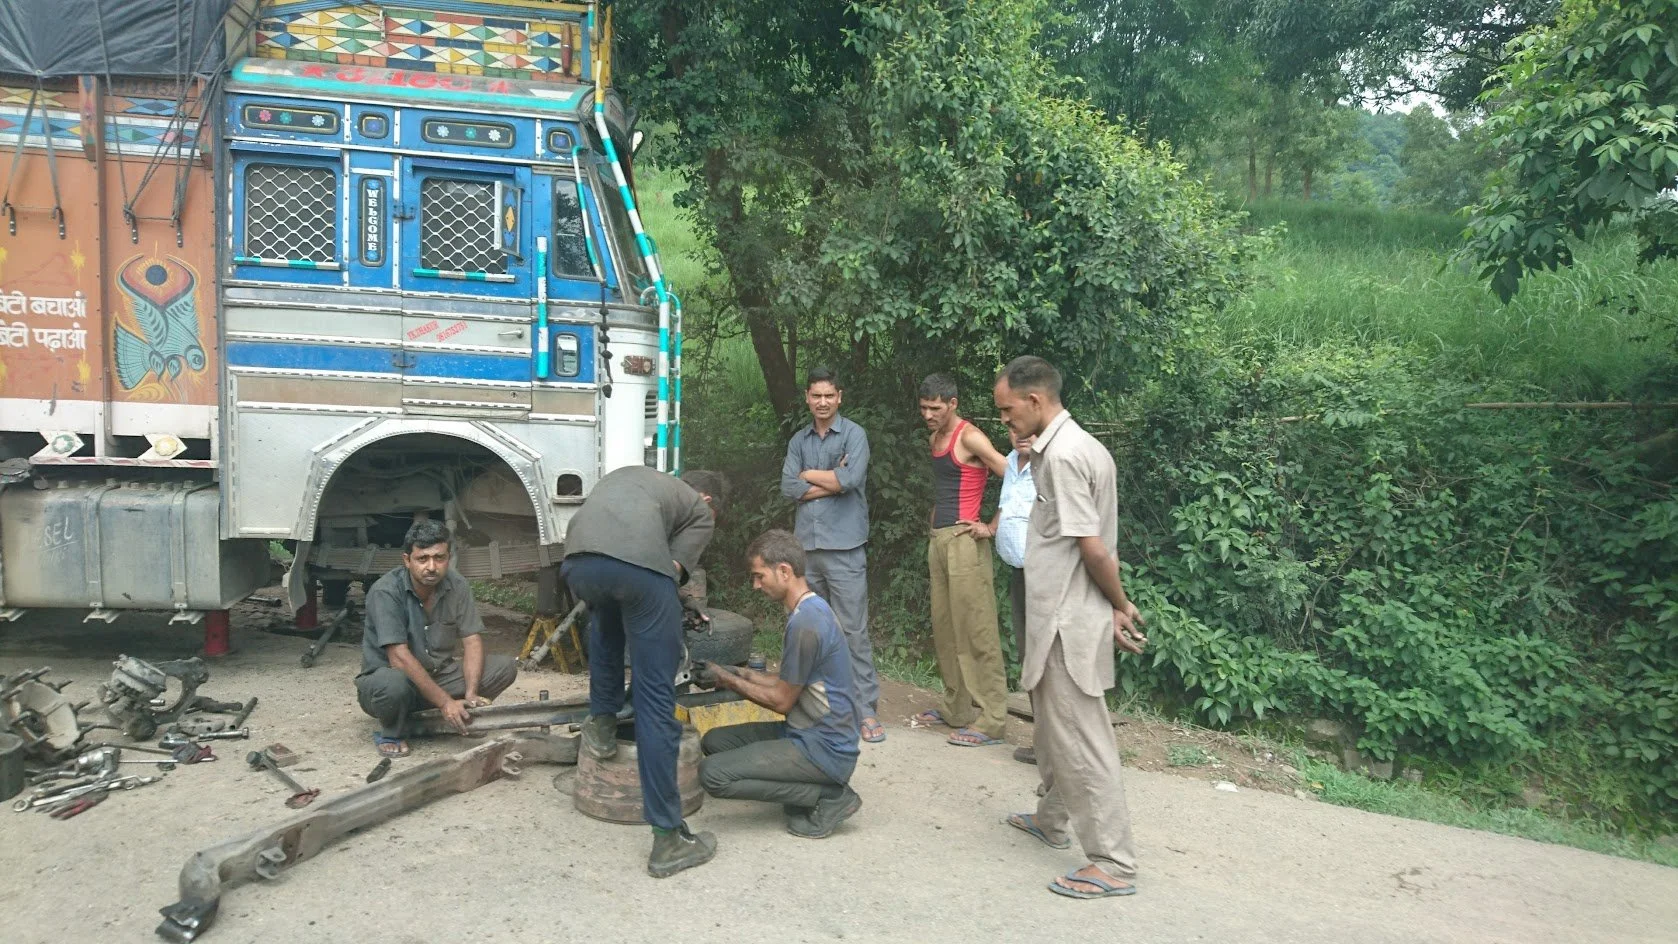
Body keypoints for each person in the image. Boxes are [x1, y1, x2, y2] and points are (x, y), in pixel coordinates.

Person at [993, 355, 1146, 900]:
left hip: (1064, 619)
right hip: (1062, 611)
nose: (1005, 424)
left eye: (1008, 412)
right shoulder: (1074, 447)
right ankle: (1051, 819)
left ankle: (1113, 861)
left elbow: (1093, 546)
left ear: (1035, 401)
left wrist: (1120, 605)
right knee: (1053, 727)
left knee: (1080, 737)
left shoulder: (1063, 457)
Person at [560, 465, 725, 878]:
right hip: (635, 569)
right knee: (655, 702)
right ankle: (669, 839)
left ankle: (600, 722)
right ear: (705, 499)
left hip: (578, 561)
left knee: (606, 625)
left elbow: (622, 561)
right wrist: (673, 601)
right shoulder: (698, 509)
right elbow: (666, 573)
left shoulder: (637, 481)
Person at [697, 529, 863, 838]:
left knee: (713, 775)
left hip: (824, 747)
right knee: (713, 742)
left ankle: (828, 796)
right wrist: (735, 671)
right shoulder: (809, 609)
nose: (755, 585)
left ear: (784, 571)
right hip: (806, 731)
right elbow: (789, 682)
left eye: (760, 576)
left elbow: (781, 700)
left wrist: (726, 680)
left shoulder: (806, 623)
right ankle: (804, 787)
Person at [355, 519, 519, 758]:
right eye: (422, 559)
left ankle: (460, 711)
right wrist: (444, 702)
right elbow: (398, 658)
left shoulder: (457, 585)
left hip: (439, 678)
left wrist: (471, 694)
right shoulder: (385, 591)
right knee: (394, 685)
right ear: (406, 560)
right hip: (391, 684)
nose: (431, 567)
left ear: (448, 557)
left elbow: (472, 640)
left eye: (439, 558)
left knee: (504, 667)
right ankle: (393, 730)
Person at [779, 367, 883, 743]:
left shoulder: (855, 435)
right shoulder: (798, 440)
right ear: (807, 398)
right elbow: (788, 487)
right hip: (806, 548)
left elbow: (851, 479)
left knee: (852, 630)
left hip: (845, 547)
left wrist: (809, 476)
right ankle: (819, 707)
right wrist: (827, 480)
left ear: (839, 397)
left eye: (829, 395)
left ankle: (865, 709)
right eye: (815, 396)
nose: (822, 402)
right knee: (809, 631)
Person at [913, 373, 1011, 747]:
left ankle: (993, 719)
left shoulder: (969, 436)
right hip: (939, 540)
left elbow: (1013, 475)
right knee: (945, 627)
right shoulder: (934, 438)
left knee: (976, 629)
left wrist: (992, 525)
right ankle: (957, 708)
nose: (928, 415)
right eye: (923, 408)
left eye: (935, 408)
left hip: (966, 542)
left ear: (952, 404)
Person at [988, 430, 1038, 765]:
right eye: (1014, 427)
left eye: (1028, 428)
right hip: (1019, 575)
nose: (1021, 434)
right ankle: (1044, 741)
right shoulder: (1009, 462)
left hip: (1044, 576)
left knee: (1046, 658)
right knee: (1029, 657)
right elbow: (1007, 507)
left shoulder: (1051, 466)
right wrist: (991, 528)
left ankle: (1054, 747)